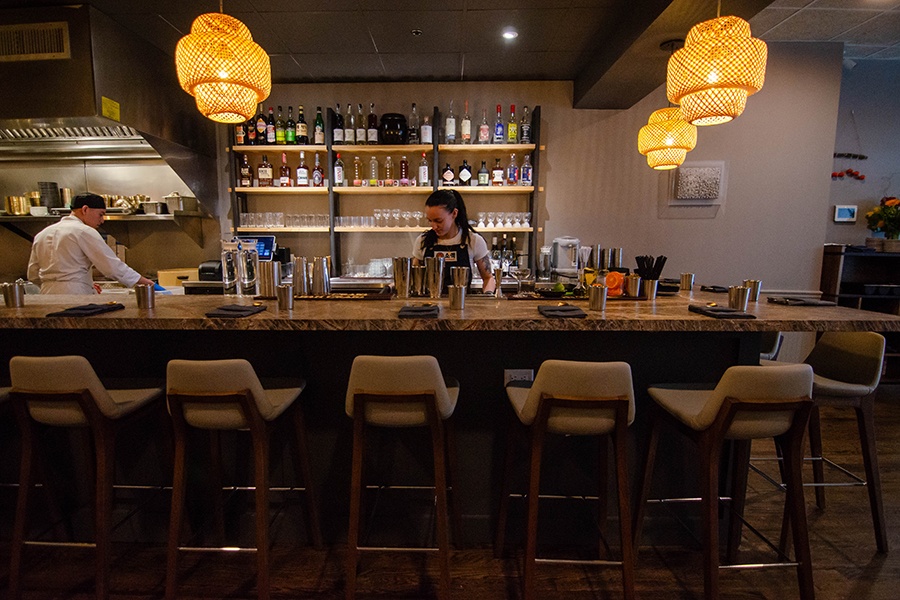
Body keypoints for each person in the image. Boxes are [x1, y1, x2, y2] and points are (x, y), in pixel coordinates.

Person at [27, 193, 154, 294]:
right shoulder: (84, 231)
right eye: (100, 214)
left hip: (46, 296)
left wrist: (81, 283)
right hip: (76, 296)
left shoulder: (42, 234)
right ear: (85, 209)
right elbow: (112, 267)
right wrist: (146, 283)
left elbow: (32, 275)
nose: (102, 220)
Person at [412, 189, 496, 294]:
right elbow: (413, 277)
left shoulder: (473, 241)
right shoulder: (422, 241)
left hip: (462, 305)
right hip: (429, 307)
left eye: (438, 221)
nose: (433, 226)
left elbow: (488, 278)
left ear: (454, 213)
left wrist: (487, 295)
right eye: (430, 220)